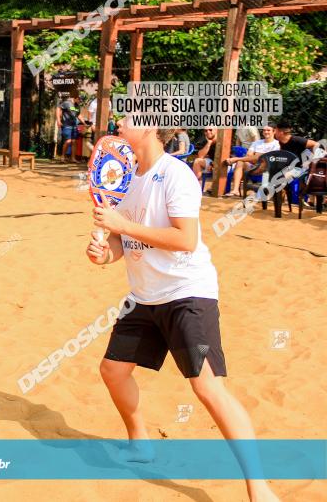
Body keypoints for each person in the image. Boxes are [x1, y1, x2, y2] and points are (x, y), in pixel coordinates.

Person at [86, 120, 278, 502]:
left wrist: (122, 225)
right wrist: (103, 252)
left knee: (207, 387)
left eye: (130, 115)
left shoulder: (176, 175)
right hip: (144, 296)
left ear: (153, 127)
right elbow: (122, 243)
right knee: (113, 370)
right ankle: (140, 442)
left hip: (188, 294)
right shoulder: (122, 178)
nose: (121, 121)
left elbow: (185, 240)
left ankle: (259, 486)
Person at [223, 124, 280, 198]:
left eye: (268, 130)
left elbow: (268, 158)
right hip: (253, 166)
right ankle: (235, 190)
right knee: (240, 162)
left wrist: (257, 155)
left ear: (274, 131)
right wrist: (258, 156)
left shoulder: (276, 144)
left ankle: (237, 159)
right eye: (264, 130)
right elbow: (248, 155)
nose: (266, 132)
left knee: (240, 160)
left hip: (266, 169)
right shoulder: (257, 143)